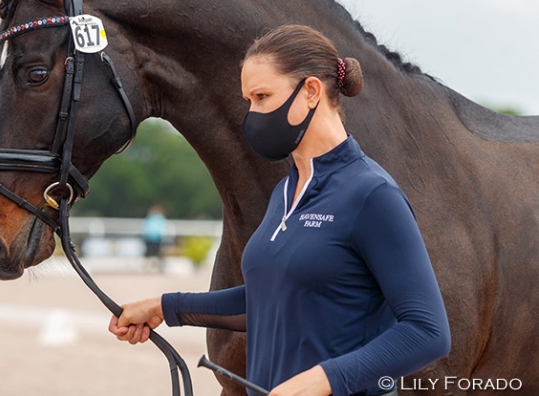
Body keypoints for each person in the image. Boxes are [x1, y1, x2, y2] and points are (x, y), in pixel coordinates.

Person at [109, 25, 451, 396]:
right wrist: (165, 307)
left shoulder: (372, 194)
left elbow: (427, 331)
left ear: (310, 92)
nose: (252, 114)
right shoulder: (285, 190)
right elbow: (269, 298)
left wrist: (324, 380)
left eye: (262, 96)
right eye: (248, 101)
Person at [142, 205, 167, 270]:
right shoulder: (152, 218)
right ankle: (149, 266)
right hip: (153, 237)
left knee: (155, 253)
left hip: (154, 237)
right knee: (152, 253)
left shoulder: (151, 218)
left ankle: (158, 266)